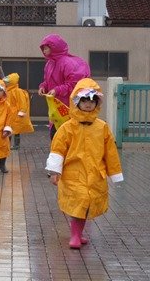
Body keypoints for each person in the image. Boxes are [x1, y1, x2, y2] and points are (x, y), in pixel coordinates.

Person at [45, 78, 123, 249]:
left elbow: (110, 152)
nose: (88, 104)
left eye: (92, 101)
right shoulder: (68, 128)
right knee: (79, 203)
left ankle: (78, 234)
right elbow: (58, 149)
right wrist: (54, 171)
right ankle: (75, 236)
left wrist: (114, 173)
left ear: (97, 103)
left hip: (95, 174)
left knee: (86, 205)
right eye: (84, 100)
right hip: (74, 174)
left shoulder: (102, 127)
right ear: (76, 102)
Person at [37, 34, 90, 139]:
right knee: (56, 139)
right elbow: (47, 81)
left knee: (66, 141)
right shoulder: (49, 64)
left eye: (46, 48)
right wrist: (43, 86)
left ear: (54, 48)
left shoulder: (67, 63)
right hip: (57, 110)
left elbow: (74, 85)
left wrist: (56, 90)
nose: (44, 51)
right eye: (43, 48)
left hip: (68, 109)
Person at [3, 73, 34, 150]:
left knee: (16, 131)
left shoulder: (17, 91)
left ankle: (16, 145)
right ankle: (8, 145)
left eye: (7, 82)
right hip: (10, 113)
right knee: (8, 129)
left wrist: (22, 111)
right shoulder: (7, 91)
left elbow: (22, 102)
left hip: (15, 114)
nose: (5, 84)